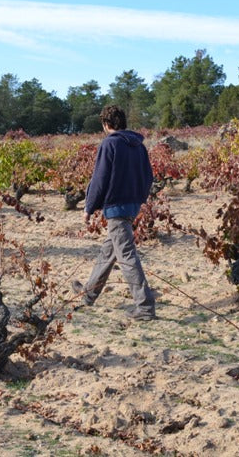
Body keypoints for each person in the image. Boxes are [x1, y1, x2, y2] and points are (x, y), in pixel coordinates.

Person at [72, 104, 157, 321]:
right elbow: (148, 176)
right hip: (132, 206)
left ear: (106, 124)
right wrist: (139, 199)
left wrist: (89, 208)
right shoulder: (139, 145)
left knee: (126, 255)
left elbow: (99, 179)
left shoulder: (109, 144)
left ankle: (145, 306)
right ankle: (89, 294)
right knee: (108, 251)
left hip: (116, 207)